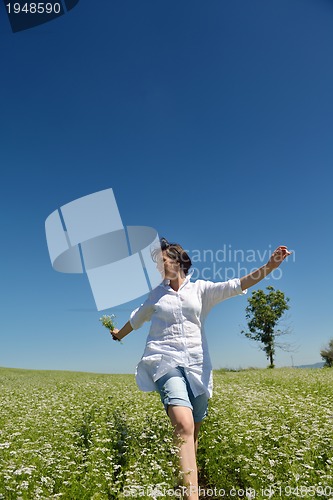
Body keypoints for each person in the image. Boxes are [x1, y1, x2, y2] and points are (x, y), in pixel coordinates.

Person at [110, 238, 291, 500]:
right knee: (183, 424)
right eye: (158, 263)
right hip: (164, 360)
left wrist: (269, 266)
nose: (160, 266)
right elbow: (135, 319)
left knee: (193, 430)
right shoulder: (156, 295)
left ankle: (186, 478)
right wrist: (119, 334)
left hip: (197, 366)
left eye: (164, 260)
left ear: (178, 261)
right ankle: (191, 496)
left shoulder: (201, 290)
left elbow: (237, 285)